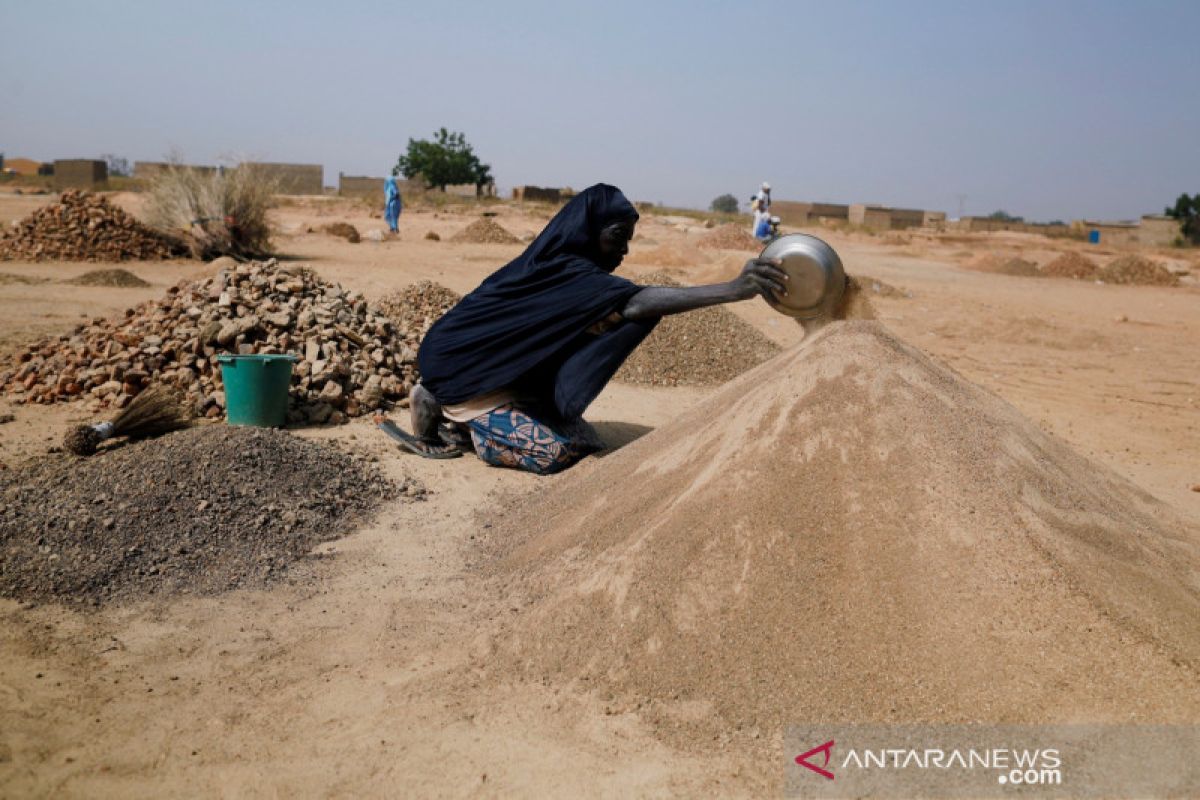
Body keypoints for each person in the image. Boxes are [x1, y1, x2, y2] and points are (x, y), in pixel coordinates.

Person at [403, 183, 786, 475]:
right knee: (557, 454)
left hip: (493, 376)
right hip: (465, 381)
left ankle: (465, 415)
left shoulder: (566, 270)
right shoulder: (565, 272)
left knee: (587, 439)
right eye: (617, 237)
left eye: (628, 242)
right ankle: (465, 428)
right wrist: (732, 290)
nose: (624, 252)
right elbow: (636, 302)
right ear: (588, 232)